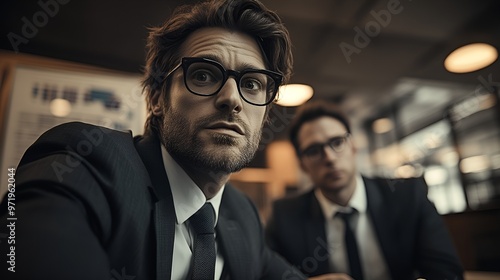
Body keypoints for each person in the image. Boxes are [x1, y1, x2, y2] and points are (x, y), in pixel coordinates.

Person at [0, 0, 308, 279]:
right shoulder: (84, 163)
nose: (231, 99)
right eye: (203, 75)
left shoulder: (241, 213)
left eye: (252, 83)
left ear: (266, 112)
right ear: (159, 97)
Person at [265, 100, 464, 280]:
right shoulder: (285, 215)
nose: (330, 158)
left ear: (353, 146)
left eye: (337, 142)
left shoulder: (407, 196)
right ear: (302, 164)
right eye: (314, 150)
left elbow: (448, 273)